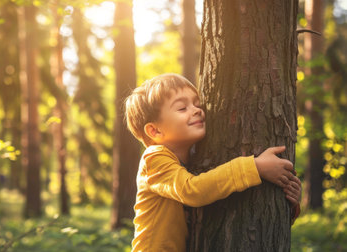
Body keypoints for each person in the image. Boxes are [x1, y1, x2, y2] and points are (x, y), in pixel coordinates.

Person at [124, 73, 301, 252]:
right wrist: (254, 167)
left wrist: (286, 205)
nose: (197, 110)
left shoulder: (193, 159)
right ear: (154, 131)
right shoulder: (154, 158)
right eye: (182, 108)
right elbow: (192, 191)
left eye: (197, 104)